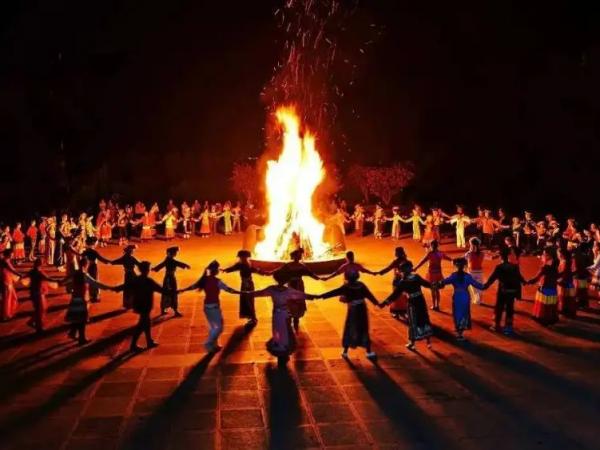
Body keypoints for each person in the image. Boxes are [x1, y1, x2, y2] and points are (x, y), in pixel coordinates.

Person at [245, 271, 316, 367]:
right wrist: (315, 296)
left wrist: (245, 293)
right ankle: (283, 352)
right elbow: (302, 295)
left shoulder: (272, 289)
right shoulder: (288, 291)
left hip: (276, 314)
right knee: (285, 332)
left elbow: (258, 293)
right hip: (285, 314)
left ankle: (280, 351)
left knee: (278, 331)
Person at [316, 270, 381, 359]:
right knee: (363, 328)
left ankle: (345, 351)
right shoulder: (361, 285)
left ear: (347, 277)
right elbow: (369, 295)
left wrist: (320, 296)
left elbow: (334, 292)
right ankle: (368, 351)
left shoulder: (347, 286)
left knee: (350, 328)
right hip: (362, 308)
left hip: (353, 310)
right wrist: (377, 303)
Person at [179, 261, 240, 353]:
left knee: (213, 327)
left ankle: (214, 345)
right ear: (215, 271)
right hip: (214, 307)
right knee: (219, 327)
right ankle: (208, 343)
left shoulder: (204, 280)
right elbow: (229, 290)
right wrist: (241, 292)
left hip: (207, 306)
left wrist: (183, 290)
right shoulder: (217, 281)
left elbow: (193, 286)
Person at [63, 257, 118, 345]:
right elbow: (96, 283)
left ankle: (72, 333)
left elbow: (65, 281)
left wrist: (56, 282)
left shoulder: (75, 273)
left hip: (75, 298)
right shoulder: (85, 275)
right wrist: (110, 288)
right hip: (82, 299)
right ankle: (82, 338)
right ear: (86, 265)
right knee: (82, 320)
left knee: (76, 317)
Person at [381, 261, 433, 350]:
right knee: (424, 318)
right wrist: (436, 285)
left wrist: (385, 302)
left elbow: (395, 294)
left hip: (412, 302)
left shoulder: (403, 282)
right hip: (420, 300)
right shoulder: (416, 277)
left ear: (402, 271)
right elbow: (427, 284)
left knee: (413, 321)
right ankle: (428, 342)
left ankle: (412, 343)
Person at [115, 261, 167, 352]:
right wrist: (174, 291)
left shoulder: (136, 279)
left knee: (147, 323)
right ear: (147, 270)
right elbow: (161, 289)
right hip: (146, 305)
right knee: (141, 325)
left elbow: (125, 286)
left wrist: (115, 288)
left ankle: (149, 341)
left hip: (139, 305)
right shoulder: (148, 281)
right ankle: (133, 345)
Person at [270, 248, 322, 331]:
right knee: (291, 301)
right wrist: (270, 272)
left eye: (299, 256)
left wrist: (321, 278)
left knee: (298, 300)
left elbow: (311, 274)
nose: (299, 257)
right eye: (298, 256)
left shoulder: (301, 266)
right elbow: (279, 270)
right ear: (294, 257)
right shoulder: (289, 265)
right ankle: (291, 318)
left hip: (298, 285)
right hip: (292, 285)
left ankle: (296, 319)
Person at [438, 258, 484, 341]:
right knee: (464, 313)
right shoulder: (467, 276)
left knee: (457, 313)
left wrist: (437, 283)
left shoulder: (454, 275)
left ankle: (459, 331)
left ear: (456, 266)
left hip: (457, 296)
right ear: (464, 266)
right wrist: (486, 285)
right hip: (465, 296)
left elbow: (444, 281)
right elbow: (478, 285)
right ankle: (460, 332)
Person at [482, 247, 526, 335]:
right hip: (512, 291)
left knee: (499, 307)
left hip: (502, 290)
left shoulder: (499, 267)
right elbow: (519, 277)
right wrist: (525, 282)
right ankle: (508, 327)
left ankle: (496, 325)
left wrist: (485, 286)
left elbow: (492, 279)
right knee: (510, 308)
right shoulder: (514, 266)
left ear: (501, 257)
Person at [222, 250, 263, 327]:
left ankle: (253, 318)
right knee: (247, 300)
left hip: (247, 284)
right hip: (246, 284)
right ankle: (251, 317)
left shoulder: (245, 265)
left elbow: (235, 268)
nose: (240, 258)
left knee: (248, 300)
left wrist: (226, 270)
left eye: (241, 257)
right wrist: (226, 270)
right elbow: (234, 268)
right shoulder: (244, 264)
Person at [21, 258, 60, 333]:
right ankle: (38, 327)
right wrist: (57, 281)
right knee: (40, 309)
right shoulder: (39, 272)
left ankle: (32, 321)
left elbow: (25, 277)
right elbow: (48, 279)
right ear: (40, 264)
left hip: (34, 292)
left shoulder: (32, 271)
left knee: (40, 309)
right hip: (38, 293)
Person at [152, 246, 190, 317]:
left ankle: (165, 309)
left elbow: (161, 265)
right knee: (172, 293)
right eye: (174, 253)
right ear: (170, 253)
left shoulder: (168, 259)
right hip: (170, 279)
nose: (175, 254)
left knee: (167, 293)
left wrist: (155, 268)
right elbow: (176, 263)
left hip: (169, 277)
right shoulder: (170, 260)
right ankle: (174, 310)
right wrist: (186, 265)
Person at [413, 240, 451, 311]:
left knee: (433, 290)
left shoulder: (430, 254)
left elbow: (422, 261)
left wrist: (416, 268)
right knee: (437, 290)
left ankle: (434, 305)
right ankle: (437, 305)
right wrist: (453, 260)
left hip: (431, 273)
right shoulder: (440, 253)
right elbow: (447, 258)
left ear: (431, 246)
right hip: (438, 273)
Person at [527, 247, 560, 326]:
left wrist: (528, 282)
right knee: (551, 304)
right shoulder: (556, 265)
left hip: (545, 287)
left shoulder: (545, 267)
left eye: (544, 254)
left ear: (549, 256)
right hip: (553, 287)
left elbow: (536, 278)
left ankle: (543, 319)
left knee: (543, 304)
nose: (542, 256)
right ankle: (551, 318)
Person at [378, 247, 409, 319]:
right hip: (404, 281)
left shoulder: (396, 261)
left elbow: (388, 268)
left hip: (397, 281)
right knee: (403, 297)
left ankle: (396, 312)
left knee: (396, 297)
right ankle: (403, 312)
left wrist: (379, 272)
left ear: (397, 253)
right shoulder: (405, 260)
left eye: (396, 252)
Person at [81, 237, 111, 303]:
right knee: (95, 280)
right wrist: (110, 262)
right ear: (93, 243)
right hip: (93, 267)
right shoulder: (94, 252)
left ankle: (89, 296)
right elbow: (102, 259)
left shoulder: (85, 251)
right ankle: (95, 296)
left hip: (86, 267)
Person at [111, 244, 141, 309]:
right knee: (132, 288)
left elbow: (116, 261)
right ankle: (132, 302)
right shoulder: (132, 258)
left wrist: (110, 262)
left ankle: (128, 303)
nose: (133, 251)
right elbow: (139, 264)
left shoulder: (124, 257)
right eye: (132, 250)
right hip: (132, 274)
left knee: (127, 288)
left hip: (127, 274)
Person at [0, 248, 22, 321]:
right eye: (12, 253)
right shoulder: (5, 261)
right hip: (6, 280)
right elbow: (12, 270)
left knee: (11, 297)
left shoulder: (5, 260)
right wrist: (21, 275)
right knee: (7, 298)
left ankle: (8, 313)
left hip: (7, 279)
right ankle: (5, 315)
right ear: (9, 254)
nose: (13, 255)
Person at [557, 247, 577, 317]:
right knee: (567, 297)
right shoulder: (565, 260)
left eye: (558, 253)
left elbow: (564, 272)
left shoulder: (565, 261)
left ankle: (564, 310)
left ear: (562, 254)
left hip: (564, 280)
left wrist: (556, 276)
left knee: (563, 297)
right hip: (567, 280)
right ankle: (567, 310)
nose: (558, 255)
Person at [465, 237, 485, 304]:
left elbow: (463, 260)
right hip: (479, 272)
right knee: (478, 286)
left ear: (472, 245)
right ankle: (479, 300)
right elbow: (491, 257)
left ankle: (477, 299)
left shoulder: (468, 254)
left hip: (471, 272)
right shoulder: (482, 253)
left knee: (473, 287)